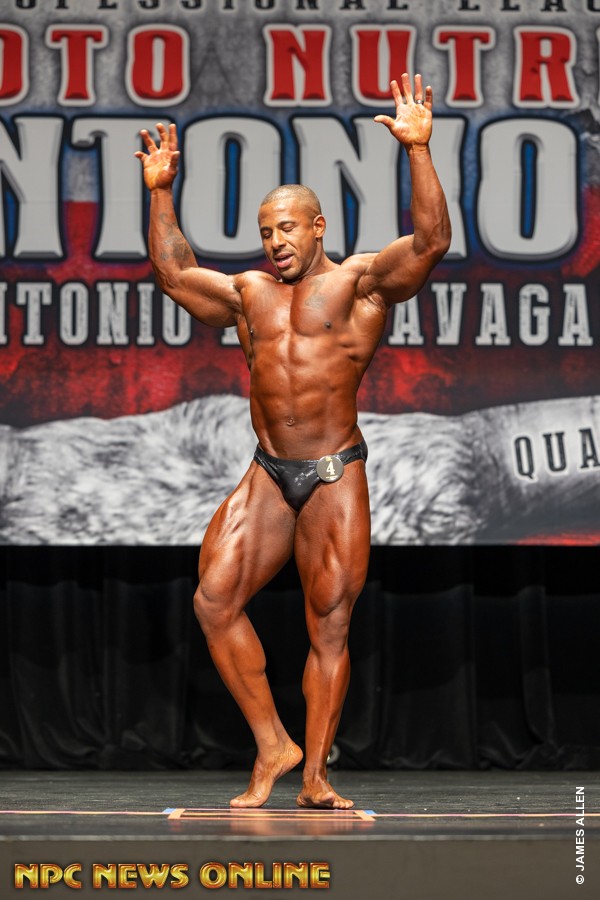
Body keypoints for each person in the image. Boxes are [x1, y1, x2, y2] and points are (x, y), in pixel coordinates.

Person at [136, 73, 451, 809]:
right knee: (214, 601)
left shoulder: (360, 286)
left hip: (335, 473)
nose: (275, 242)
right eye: (265, 232)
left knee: (328, 628)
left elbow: (432, 242)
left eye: (286, 228)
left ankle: (314, 778)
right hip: (270, 473)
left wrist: (418, 150)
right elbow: (175, 274)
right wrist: (160, 192)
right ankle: (274, 744)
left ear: (317, 228)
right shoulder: (250, 295)